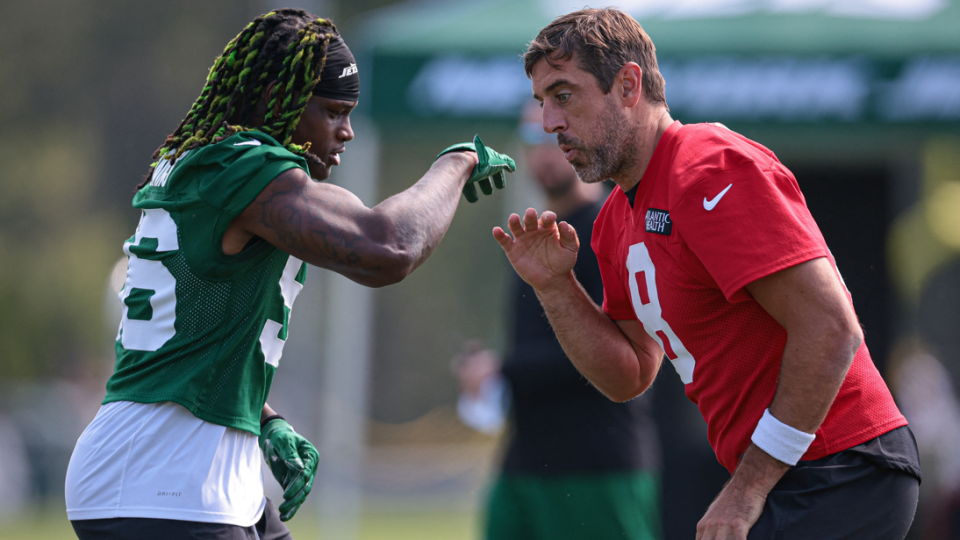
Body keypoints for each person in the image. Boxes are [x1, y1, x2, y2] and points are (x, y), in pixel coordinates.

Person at [64, 9, 514, 540]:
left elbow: (194, 337)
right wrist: (455, 163)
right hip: (160, 482)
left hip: (192, 471)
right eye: (332, 112)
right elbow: (387, 247)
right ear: (279, 98)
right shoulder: (240, 169)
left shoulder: (214, 163)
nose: (346, 131)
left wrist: (266, 417)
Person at [493, 8, 920, 540]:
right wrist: (556, 288)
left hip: (843, 465)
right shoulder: (614, 221)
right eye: (541, 103)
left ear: (628, 85)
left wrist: (745, 488)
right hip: (787, 470)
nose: (550, 123)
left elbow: (832, 331)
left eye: (563, 95)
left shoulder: (707, 167)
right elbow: (628, 374)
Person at [455, 101, 661, 540]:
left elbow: (619, 352)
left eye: (555, 137)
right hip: (525, 460)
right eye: (533, 139)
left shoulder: (614, 226)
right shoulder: (532, 232)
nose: (546, 151)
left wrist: (502, 369)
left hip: (596, 464)